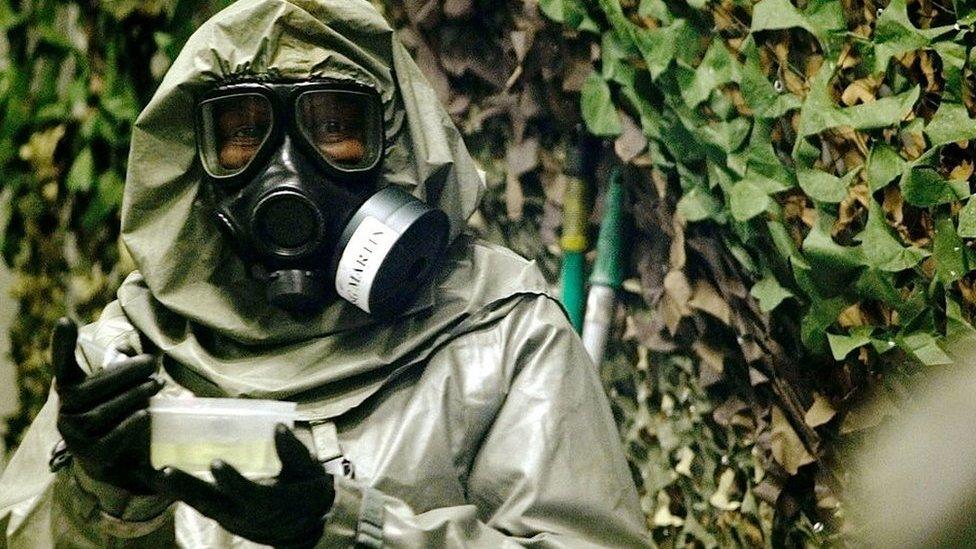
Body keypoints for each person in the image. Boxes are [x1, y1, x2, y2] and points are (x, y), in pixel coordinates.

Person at [0, 0, 650, 546]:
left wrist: (348, 527)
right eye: (243, 133)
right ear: (195, 166)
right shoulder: (129, 356)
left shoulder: (496, 337)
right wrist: (97, 495)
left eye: (333, 125)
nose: (285, 171)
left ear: (395, 145)